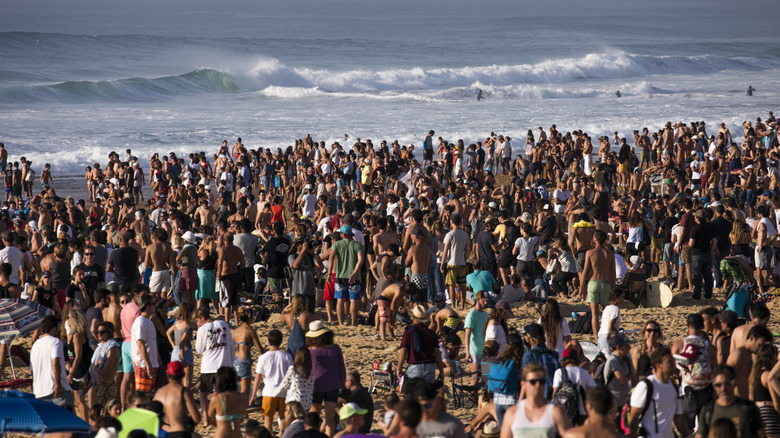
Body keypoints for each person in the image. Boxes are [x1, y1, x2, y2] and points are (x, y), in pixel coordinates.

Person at [627, 346, 690, 438]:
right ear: (658, 365)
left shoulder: (673, 386)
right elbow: (633, 420)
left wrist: (686, 434)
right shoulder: (645, 386)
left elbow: (678, 417)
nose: (674, 364)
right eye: (669, 361)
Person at [499, 364, 572, 438]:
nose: (538, 385)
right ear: (523, 384)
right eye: (533, 382)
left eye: (541, 381)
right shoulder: (512, 413)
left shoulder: (555, 411)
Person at [695, 365, 764, 438]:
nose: (723, 388)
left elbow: (761, 434)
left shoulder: (748, 408)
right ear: (714, 386)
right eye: (718, 385)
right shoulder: (708, 411)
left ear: (734, 383)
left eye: (727, 384)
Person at [196, 306, 236, 426]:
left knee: (203, 392)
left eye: (197, 321)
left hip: (208, 365)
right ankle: (220, 416)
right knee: (222, 393)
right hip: (224, 364)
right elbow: (231, 345)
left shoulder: (203, 329)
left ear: (202, 318)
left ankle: (206, 417)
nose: (197, 324)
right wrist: (231, 360)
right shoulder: (224, 324)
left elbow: (199, 349)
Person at [305, 321, 346, 437]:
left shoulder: (310, 351)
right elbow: (341, 367)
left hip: (315, 385)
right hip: (333, 385)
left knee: (314, 417)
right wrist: (342, 381)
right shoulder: (335, 349)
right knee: (330, 418)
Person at [251, 329, 293, 433]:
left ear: (268, 341)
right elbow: (292, 374)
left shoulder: (263, 357)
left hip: (269, 392)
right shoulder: (287, 356)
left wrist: (253, 395)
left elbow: (258, 377)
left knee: (268, 419)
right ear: (281, 341)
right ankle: (282, 434)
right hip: (284, 392)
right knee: (283, 417)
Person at [580, 230, 615, 344]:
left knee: (594, 314)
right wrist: (613, 287)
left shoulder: (590, 253)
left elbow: (585, 272)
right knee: (606, 313)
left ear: (595, 239)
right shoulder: (610, 254)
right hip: (605, 283)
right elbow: (613, 273)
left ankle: (597, 338)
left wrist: (581, 287)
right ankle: (606, 335)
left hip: (593, 283)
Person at [31, 315, 73, 406]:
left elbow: (32, 368)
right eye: (58, 327)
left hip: (40, 391)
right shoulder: (56, 342)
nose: (59, 329)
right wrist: (57, 385)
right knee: (68, 419)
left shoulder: (35, 345)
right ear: (53, 328)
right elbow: (56, 364)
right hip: (56, 391)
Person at [397, 304, 445, 384]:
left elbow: (403, 351)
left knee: (415, 394)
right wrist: (441, 370)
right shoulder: (431, 333)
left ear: (413, 318)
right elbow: (437, 354)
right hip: (430, 367)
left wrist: (399, 367)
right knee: (428, 395)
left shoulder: (408, 332)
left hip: (415, 367)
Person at [153, 361, 202, 438]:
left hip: (164, 433)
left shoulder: (159, 393)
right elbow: (196, 418)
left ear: (168, 375)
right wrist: (189, 424)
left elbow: (153, 415)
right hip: (180, 431)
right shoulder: (184, 391)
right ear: (183, 375)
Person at [328, 225, 364, 326]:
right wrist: (354, 273)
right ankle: (353, 323)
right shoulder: (357, 245)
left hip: (340, 276)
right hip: (354, 276)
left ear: (342, 234)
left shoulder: (337, 244)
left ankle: (340, 323)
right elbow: (361, 260)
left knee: (340, 300)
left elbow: (331, 259)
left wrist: (329, 273)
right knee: (354, 301)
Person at [552, 348, 597, 426]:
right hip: (581, 412)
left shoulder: (559, 372)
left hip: (563, 410)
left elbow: (554, 393)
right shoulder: (584, 373)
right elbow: (594, 391)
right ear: (577, 359)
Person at [233, 306, 265, 412]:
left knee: (237, 389)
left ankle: (239, 410)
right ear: (249, 317)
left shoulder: (236, 330)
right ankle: (243, 412)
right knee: (245, 391)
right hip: (244, 360)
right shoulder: (250, 331)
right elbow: (260, 349)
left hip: (235, 360)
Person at [490, 333, 525, 428]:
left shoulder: (499, 359)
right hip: (513, 400)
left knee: (504, 432)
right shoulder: (519, 360)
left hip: (498, 401)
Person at [521, 323, 560, 399]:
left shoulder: (529, 356)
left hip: (535, 393)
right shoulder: (554, 354)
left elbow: (525, 380)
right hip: (552, 392)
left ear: (530, 338)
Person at [131, 294, 159, 394]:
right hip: (142, 364)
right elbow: (140, 344)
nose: (155, 306)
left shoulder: (148, 321)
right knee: (142, 395)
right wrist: (148, 365)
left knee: (148, 394)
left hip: (150, 363)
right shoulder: (140, 322)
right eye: (153, 304)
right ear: (147, 306)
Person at [440, 214, 470, 309]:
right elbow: (468, 250)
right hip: (461, 262)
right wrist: (465, 259)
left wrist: (442, 264)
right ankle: (462, 305)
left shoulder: (449, 234)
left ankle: (453, 305)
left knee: (451, 285)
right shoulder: (465, 234)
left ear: (451, 221)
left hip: (451, 263)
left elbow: (445, 251)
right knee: (462, 286)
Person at [90, 321, 121, 410]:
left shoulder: (112, 349)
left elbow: (104, 373)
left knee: (104, 415)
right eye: (97, 332)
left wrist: (95, 367)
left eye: (102, 332)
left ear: (109, 333)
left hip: (107, 387)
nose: (99, 334)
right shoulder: (100, 347)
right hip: (97, 386)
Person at [217, 231, 245, 326]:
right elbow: (243, 263)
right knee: (235, 301)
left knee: (226, 301)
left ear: (224, 240)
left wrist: (219, 274)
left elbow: (220, 262)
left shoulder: (223, 249)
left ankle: (227, 322)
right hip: (236, 275)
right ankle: (237, 322)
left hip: (226, 276)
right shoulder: (238, 249)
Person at [207, 366, 244, 438]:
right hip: (237, 435)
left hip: (221, 434)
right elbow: (242, 416)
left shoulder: (216, 399)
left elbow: (209, 419)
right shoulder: (243, 398)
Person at [603, 333, 637, 410]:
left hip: (626, 402)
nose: (629, 348)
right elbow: (622, 380)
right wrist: (630, 376)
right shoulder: (613, 360)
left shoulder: (626, 360)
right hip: (614, 403)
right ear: (618, 347)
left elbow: (635, 379)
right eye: (626, 345)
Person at [275, 347, 314, 411]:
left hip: (294, 399)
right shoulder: (311, 371)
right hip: (307, 401)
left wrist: (275, 394)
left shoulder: (293, 369)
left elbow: (285, 384)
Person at [167, 302, 195, 388]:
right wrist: (183, 359)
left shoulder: (176, 323)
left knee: (175, 381)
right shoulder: (188, 326)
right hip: (185, 352)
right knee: (187, 382)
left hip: (175, 352)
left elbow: (168, 332)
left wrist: (173, 345)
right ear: (189, 313)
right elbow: (182, 344)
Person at [465, 290, 490, 378]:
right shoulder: (471, 315)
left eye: (487, 301)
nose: (486, 303)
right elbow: (467, 334)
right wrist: (467, 352)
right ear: (477, 300)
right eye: (484, 301)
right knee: (475, 378)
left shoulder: (485, 314)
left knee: (486, 378)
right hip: (474, 351)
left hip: (485, 351)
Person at [344, 369, 374, 433]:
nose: (344, 383)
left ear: (350, 382)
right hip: (364, 425)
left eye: (345, 381)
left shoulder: (356, 393)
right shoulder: (361, 390)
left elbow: (342, 401)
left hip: (360, 428)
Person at [598, 289, 625, 354]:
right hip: (607, 337)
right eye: (622, 297)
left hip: (601, 336)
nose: (623, 299)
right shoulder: (615, 309)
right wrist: (618, 334)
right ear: (616, 297)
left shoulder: (607, 308)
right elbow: (611, 326)